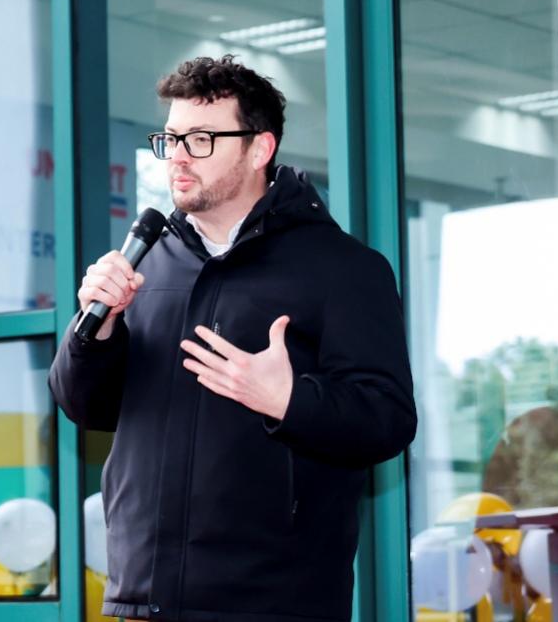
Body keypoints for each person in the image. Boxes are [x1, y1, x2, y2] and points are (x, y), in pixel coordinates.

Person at [49, 55, 417, 622]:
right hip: (142, 599)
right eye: (171, 139)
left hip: (273, 603)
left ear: (259, 148)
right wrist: (99, 326)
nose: (178, 156)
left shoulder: (341, 268)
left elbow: (387, 419)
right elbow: (85, 406)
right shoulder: (146, 262)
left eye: (200, 140)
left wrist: (288, 400)